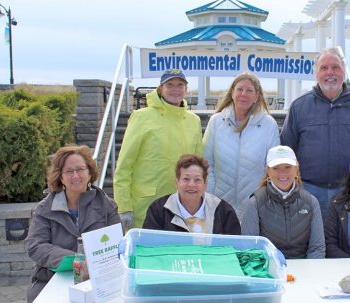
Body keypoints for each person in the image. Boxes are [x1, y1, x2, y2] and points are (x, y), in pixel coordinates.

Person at [280, 47, 350, 222]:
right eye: (324, 68)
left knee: (345, 243)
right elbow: (286, 150)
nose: (330, 72)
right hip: (308, 191)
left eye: (335, 67)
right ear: (316, 74)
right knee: (310, 243)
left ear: (343, 71)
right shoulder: (299, 107)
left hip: (348, 191)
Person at [25, 145, 120, 303]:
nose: (75, 175)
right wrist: (76, 261)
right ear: (60, 177)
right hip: (50, 280)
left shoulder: (107, 206)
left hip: (96, 282)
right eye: (68, 171)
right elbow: (35, 245)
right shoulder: (45, 208)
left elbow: (117, 246)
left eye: (80, 169)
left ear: (90, 173)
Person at [114, 69, 202, 229]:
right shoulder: (141, 117)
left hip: (181, 207)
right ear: (160, 88)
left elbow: (198, 168)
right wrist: (124, 206)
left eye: (180, 85)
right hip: (145, 207)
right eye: (170, 84)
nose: (175, 89)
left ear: (186, 89)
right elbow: (124, 165)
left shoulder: (193, 121)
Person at [203, 72, 280, 219]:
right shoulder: (216, 122)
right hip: (219, 206)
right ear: (232, 93)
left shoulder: (268, 124)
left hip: (254, 207)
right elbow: (207, 164)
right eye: (239, 89)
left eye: (249, 90)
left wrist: (262, 200)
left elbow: (272, 169)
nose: (243, 94)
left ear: (257, 96)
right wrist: (210, 196)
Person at [241, 146, 325, 259]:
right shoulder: (255, 203)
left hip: (305, 270)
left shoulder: (311, 202)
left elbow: (317, 247)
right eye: (276, 168)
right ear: (268, 171)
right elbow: (250, 249)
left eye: (287, 167)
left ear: (296, 169)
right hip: (268, 270)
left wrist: (309, 272)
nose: (282, 173)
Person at [143, 154, 241, 235]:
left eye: (197, 180)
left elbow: (234, 250)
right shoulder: (158, 210)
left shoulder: (223, 211)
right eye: (186, 179)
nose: (191, 185)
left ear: (205, 184)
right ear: (176, 182)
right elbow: (149, 249)